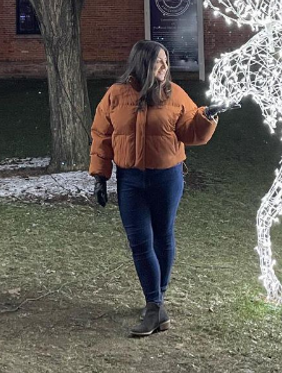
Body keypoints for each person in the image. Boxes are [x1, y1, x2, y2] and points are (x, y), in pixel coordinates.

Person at [89, 40, 233, 337]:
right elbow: (101, 136)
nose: (165, 66)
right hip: (130, 180)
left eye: (166, 61)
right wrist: (99, 177)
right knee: (140, 241)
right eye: (159, 61)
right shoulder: (116, 96)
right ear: (143, 63)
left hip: (167, 177)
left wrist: (208, 117)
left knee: (162, 234)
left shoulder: (175, 94)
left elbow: (191, 133)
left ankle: (155, 302)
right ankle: (155, 304)